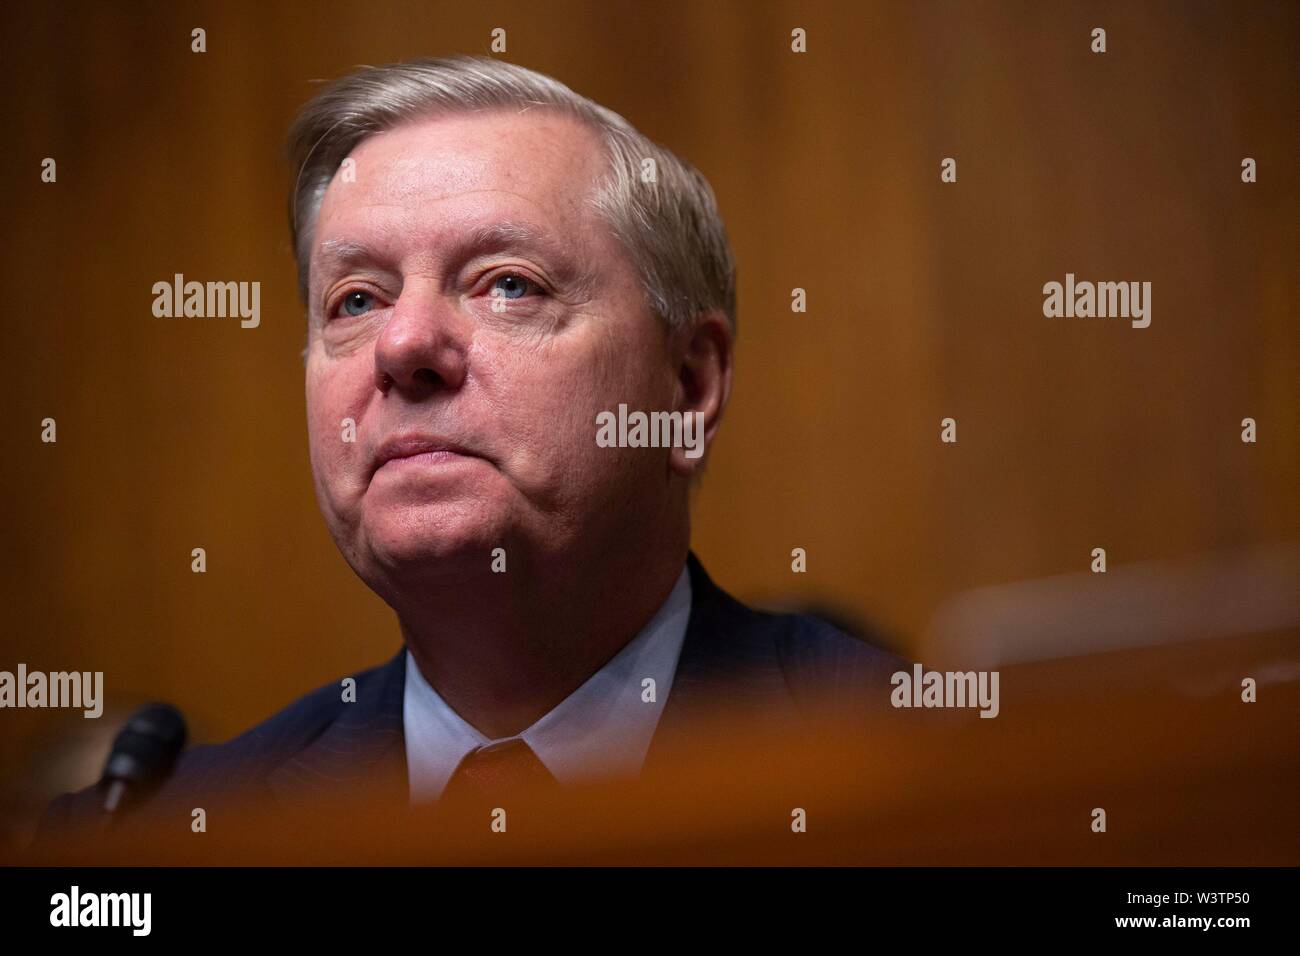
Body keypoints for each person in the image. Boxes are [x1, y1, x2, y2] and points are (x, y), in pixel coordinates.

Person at [42, 55, 902, 832]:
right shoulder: (156, 836)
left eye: (508, 286)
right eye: (355, 301)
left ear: (686, 386)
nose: (403, 345)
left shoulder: (922, 763)